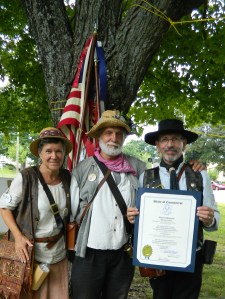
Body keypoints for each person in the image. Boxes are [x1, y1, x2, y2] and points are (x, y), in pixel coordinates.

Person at [127, 119, 220, 299]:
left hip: (191, 256)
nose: (170, 144)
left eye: (176, 139)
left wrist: (210, 219)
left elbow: (214, 218)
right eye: (165, 139)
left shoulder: (200, 175)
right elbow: (140, 219)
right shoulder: (145, 177)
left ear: (183, 144)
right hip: (158, 257)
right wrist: (133, 218)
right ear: (157, 145)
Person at [70, 110, 146, 299]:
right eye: (109, 133)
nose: (114, 138)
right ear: (99, 136)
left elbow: (156, 191)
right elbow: (71, 211)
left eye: (119, 134)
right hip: (89, 253)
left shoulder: (138, 167)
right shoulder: (82, 169)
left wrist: (191, 166)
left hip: (122, 252)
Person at [0, 127, 73, 299]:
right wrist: (18, 237)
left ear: (64, 154)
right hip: (31, 254)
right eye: (48, 151)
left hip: (58, 254)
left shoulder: (68, 177)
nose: (53, 156)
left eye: (58, 151)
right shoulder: (26, 177)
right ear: (39, 153)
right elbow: (4, 207)